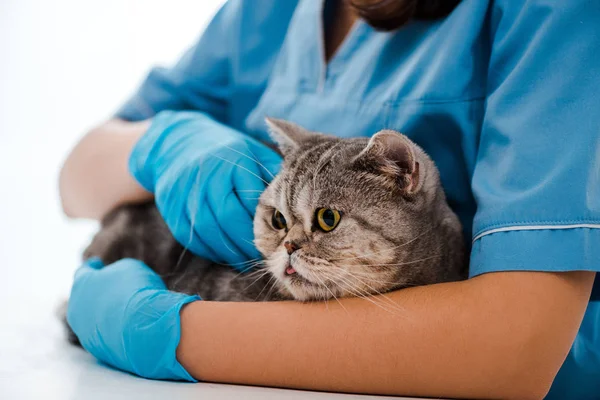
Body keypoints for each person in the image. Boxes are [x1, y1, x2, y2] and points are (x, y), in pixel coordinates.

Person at [59, 0, 600, 399]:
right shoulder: (267, 13)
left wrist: (169, 333)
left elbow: (515, 348)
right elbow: (75, 180)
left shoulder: (555, 14)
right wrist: (161, 144)